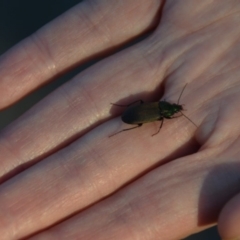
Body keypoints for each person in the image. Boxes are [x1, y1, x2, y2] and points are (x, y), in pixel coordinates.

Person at [0, 0, 239, 239]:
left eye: (175, 110)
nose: (176, 109)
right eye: (175, 109)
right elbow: (162, 114)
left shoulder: (159, 108)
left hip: (136, 113)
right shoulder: (160, 111)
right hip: (134, 115)